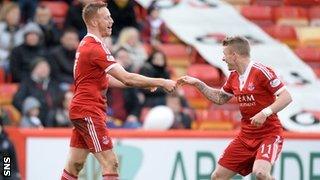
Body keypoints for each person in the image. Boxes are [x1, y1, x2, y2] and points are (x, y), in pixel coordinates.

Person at [60, 2, 176, 180]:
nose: (111, 21)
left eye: (111, 16)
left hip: (83, 109)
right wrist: (161, 81)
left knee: (74, 166)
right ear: (93, 22)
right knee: (110, 162)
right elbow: (126, 77)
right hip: (88, 110)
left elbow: (108, 80)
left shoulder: (87, 44)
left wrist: (145, 84)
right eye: (106, 17)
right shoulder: (94, 47)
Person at [178, 36, 292, 180]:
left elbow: (286, 97)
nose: (223, 59)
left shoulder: (261, 71)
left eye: (225, 55)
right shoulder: (233, 76)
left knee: (261, 174)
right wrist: (198, 83)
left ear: (234, 55)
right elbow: (220, 98)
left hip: (268, 134)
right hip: (246, 136)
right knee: (217, 176)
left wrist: (265, 113)